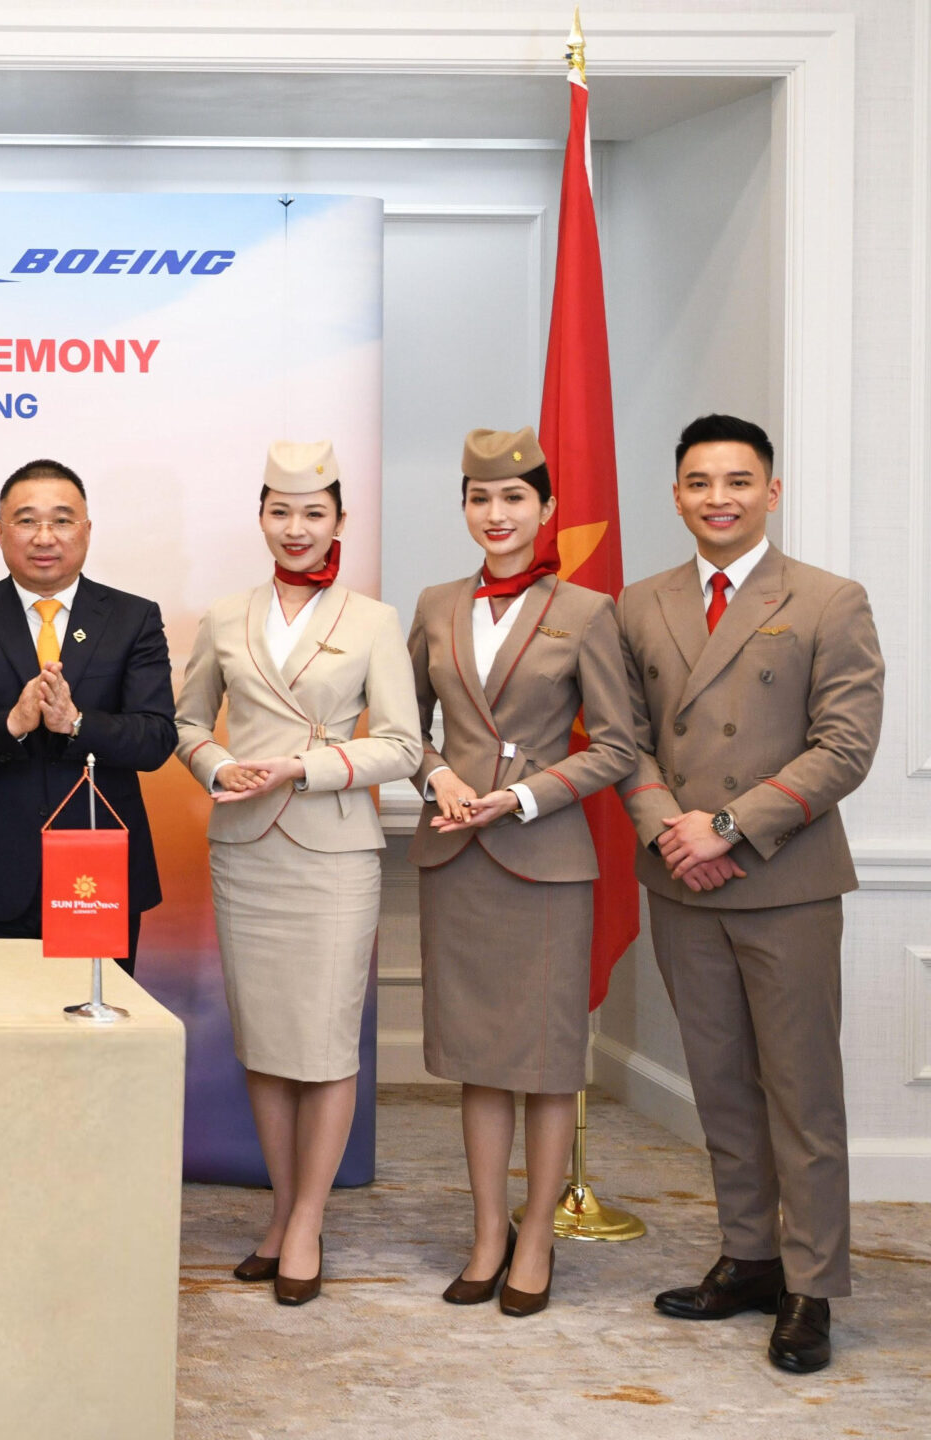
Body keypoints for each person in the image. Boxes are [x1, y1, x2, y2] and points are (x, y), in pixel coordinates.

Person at [617, 414, 882, 1374]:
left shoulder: (828, 599)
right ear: (676, 495)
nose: (717, 498)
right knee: (721, 1086)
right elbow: (625, 739)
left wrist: (725, 826)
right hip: (682, 881)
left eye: (737, 481)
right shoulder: (640, 603)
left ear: (772, 491)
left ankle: (812, 1283)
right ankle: (751, 1257)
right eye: (699, 482)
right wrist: (671, 830)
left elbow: (844, 747)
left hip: (785, 882)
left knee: (802, 1093)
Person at [172, 439, 422, 1306]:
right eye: (280, 510)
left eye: (313, 512)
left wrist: (302, 768)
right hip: (246, 849)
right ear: (261, 517)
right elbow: (187, 723)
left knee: (322, 1042)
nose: (296, 527)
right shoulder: (226, 615)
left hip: (333, 852)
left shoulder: (373, 620)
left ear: (339, 520)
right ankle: (283, 1211)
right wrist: (217, 766)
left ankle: (308, 1220)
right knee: (268, 1042)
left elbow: (403, 746)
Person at [405, 428, 639, 1317]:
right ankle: (486, 1235)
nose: (495, 514)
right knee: (479, 1059)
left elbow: (616, 745)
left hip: (544, 860)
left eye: (513, 498)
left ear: (546, 508)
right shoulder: (435, 604)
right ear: (465, 507)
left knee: (545, 1061)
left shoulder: (588, 610)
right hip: (455, 852)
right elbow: (405, 728)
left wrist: (523, 796)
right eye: (479, 498)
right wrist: (438, 775)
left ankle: (536, 1235)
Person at [0, 459, 175, 963]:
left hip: (97, 877)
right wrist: (11, 725)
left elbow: (156, 739)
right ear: (0, 532)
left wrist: (76, 724)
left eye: (61, 520)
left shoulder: (133, 618)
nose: (44, 536)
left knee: (96, 1012)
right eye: (27, 520)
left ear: (86, 530)